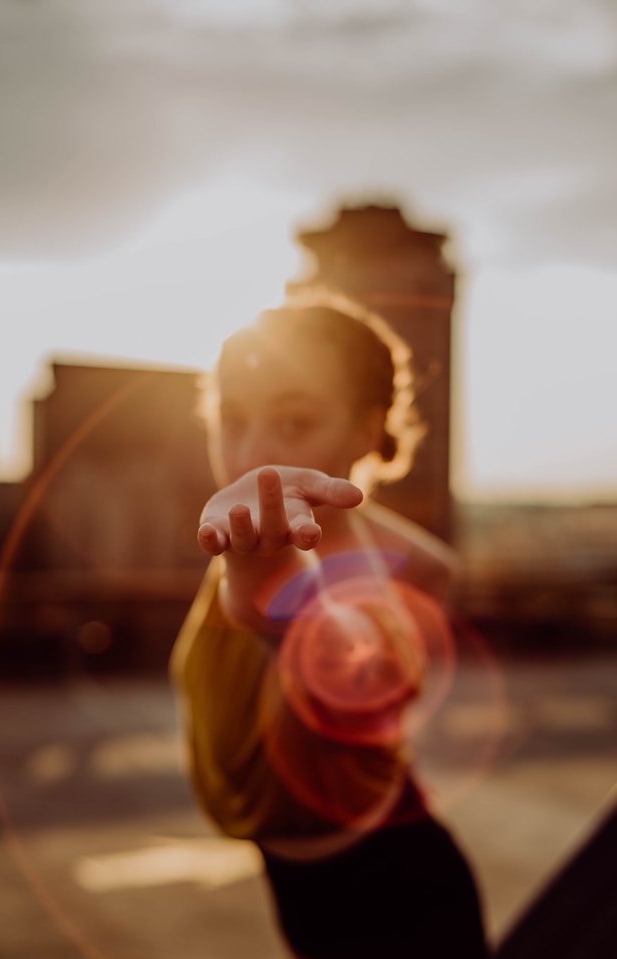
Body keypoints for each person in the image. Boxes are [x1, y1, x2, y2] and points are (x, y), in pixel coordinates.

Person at [170, 292, 489, 958]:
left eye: (295, 422)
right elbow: (438, 565)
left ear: (366, 431)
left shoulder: (309, 561)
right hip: (305, 895)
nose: (253, 453)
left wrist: (270, 599)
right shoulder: (253, 529)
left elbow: (338, 650)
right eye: (232, 418)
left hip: (396, 910)